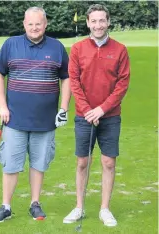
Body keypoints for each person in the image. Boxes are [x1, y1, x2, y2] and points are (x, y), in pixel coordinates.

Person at [0, 6, 71, 223]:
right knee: (10, 162)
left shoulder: (57, 47)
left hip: (45, 121)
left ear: (45, 24)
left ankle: (35, 203)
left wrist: (63, 108)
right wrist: (2, 106)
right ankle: (6, 206)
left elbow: (67, 77)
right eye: (30, 24)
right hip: (14, 118)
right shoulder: (11, 44)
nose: (34, 28)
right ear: (24, 24)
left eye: (38, 24)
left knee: (39, 163)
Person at [63, 4, 130, 227]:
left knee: (108, 162)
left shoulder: (120, 49)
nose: (98, 25)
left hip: (110, 116)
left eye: (102, 21)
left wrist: (102, 109)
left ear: (108, 22)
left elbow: (122, 84)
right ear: (88, 23)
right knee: (83, 162)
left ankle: (104, 209)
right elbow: (74, 81)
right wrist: (87, 110)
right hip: (84, 116)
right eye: (94, 21)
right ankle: (79, 207)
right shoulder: (78, 49)